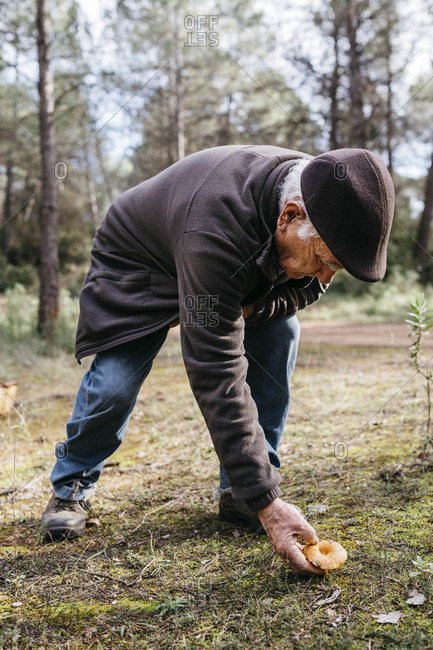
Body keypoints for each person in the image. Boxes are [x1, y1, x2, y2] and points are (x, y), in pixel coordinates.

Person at [41, 145, 394, 575]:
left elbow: (307, 288)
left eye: (335, 267)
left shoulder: (323, 194)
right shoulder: (216, 227)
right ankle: (72, 483)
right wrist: (269, 504)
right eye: (324, 260)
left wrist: (253, 308)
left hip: (223, 261)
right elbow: (216, 370)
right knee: (116, 380)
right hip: (139, 262)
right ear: (289, 216)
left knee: (282, 331)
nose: (325, 277)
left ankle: (239, 490)